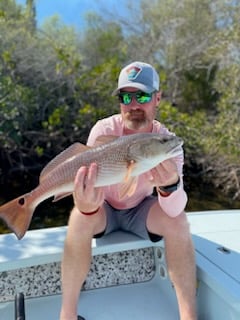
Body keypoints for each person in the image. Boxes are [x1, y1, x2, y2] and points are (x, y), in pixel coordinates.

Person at [59, 61, 197, 320]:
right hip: (105, 207)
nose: (133, 105)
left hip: (141, 210)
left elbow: (173, 208)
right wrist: (86, 205)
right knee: (78, 217)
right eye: (126, 96)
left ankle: (189, 316)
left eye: (142, 96)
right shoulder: (104, 130)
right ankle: (67, 315)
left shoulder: (168, 143)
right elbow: (88, 199)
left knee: (178, 222)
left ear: (158, 98)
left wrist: (169, 186)